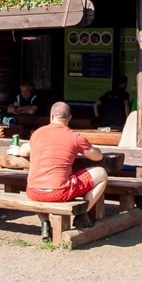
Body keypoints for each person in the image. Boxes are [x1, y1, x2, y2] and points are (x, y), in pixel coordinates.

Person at [19, 102, 107, 241]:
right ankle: (82, 214)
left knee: (39, 183)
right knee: (101, 173)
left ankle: (45, 223)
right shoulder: (75, 137)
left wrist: (17, 149)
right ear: (69, 118)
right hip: (59, 192)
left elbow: (24, 150)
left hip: (33, 191)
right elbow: (97, 157)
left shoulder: (37, 133)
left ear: (51, 116)